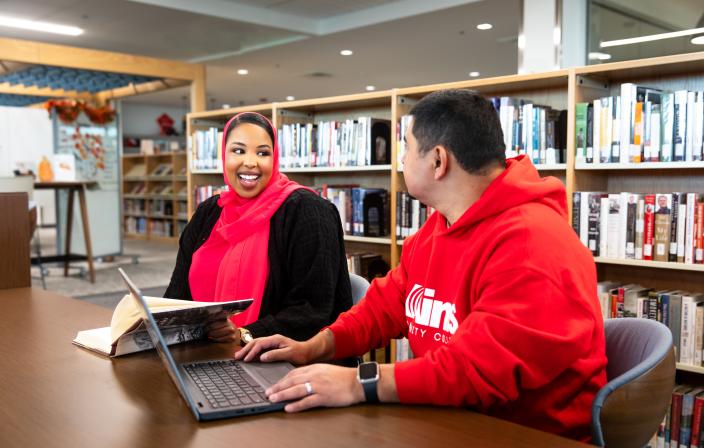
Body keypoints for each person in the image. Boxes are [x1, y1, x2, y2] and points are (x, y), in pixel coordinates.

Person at [236, 90, 607, 442]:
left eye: (407, 148)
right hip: (448, 420)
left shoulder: (534, 243)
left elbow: (474, 371)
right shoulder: (441, 223)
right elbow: (384, 307)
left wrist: (357, 382)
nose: (401, 160)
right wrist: (312, 347)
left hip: (521, 435)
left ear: (438, 161)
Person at [165, 111, 352, 346]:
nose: (250, 162)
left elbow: (313, 310)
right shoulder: (209, 213)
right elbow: (177, 295)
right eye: (238, 150)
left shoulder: (308, 211)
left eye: (262, 153)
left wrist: (244, 334)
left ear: (274, 159)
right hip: (205, 352)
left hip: (283, 361)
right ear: (224, 155)